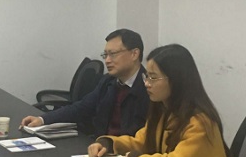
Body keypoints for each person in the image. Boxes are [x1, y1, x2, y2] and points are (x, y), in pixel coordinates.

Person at [88, 44, 244, 157]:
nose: (147, 83)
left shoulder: (200, 123)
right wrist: (109, 143)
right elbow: (142, 141)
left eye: (153, 78)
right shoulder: (165, 111)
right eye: (146, 76)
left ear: (176, 81)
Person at [20, 29, 150, 137]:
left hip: (127, 154)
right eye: (105, 55)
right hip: (99, 147)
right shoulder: (108, 81)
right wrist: (43, 119)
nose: (107, 60)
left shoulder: (149, 87)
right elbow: (82, 107)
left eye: (113, 54)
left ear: (134, 54)